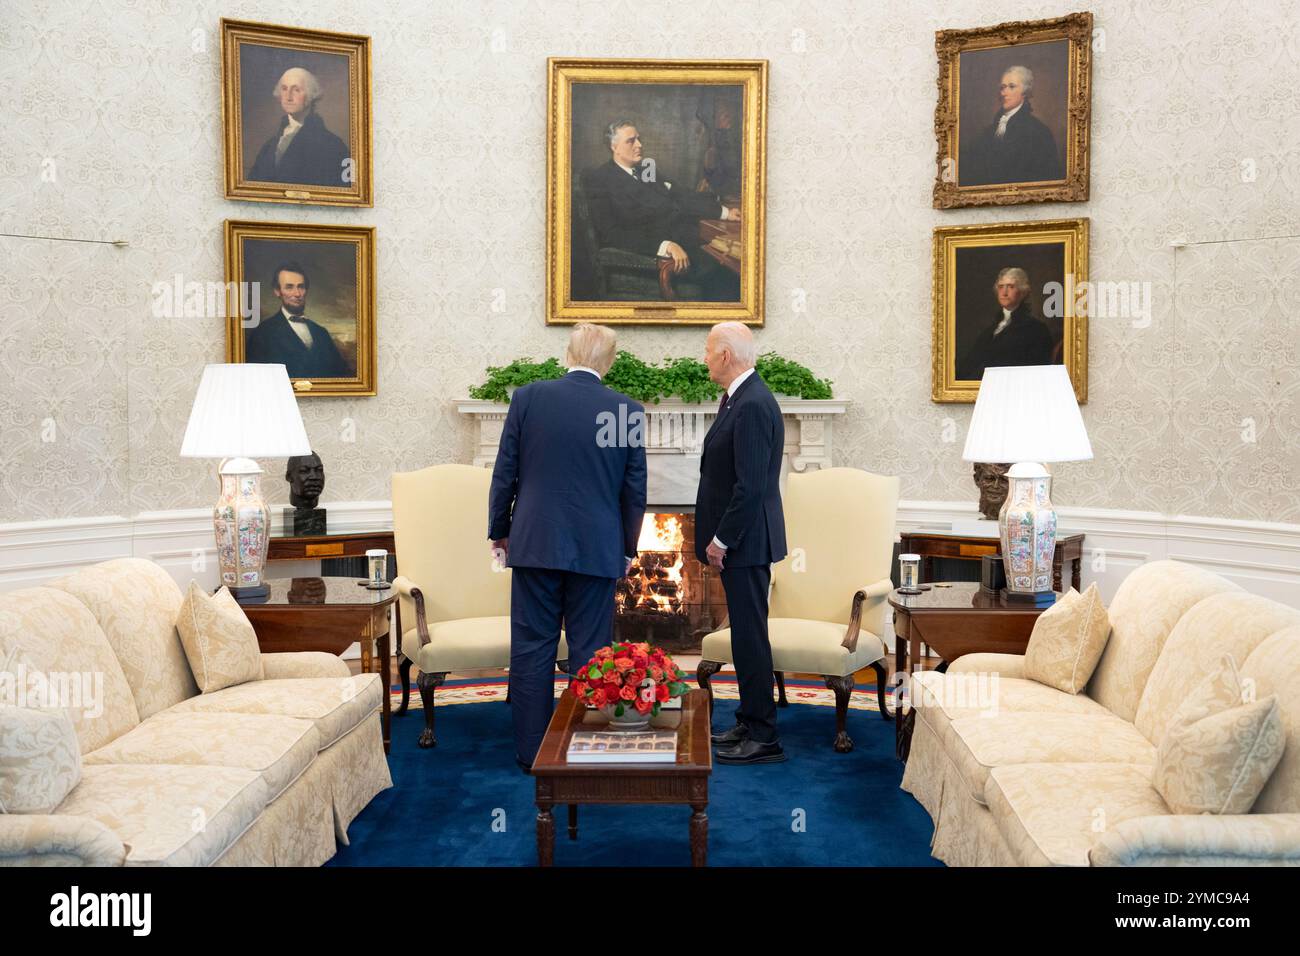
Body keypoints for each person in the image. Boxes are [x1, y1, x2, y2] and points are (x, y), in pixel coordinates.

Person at [488, 323, 648, 772]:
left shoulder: (529, 399)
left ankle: (532, 752)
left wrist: (500, 531)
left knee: (532, 647)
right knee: (592, 651)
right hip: (597, 548)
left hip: (535, 542)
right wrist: (627, 548)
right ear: (609, 361)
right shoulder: (625, 410)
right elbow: (634, 491)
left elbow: (506, 474)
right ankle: (583, 747)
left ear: (568, 353)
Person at [695, 321, 788, 765]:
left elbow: (750, 487)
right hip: (745, 542)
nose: (706, 358)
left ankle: (765, 736)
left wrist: (720, 540)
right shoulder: (741, 398)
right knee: (745, 636)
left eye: (709, 351)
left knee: (750, 638)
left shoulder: (751, 404)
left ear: (726, 356)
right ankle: (750, 720)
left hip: (746, 543)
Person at [582, 120, 741, 300]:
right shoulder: (600, 179)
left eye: (639, 139)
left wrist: (725, 212)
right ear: (614, 147)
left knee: (733, 264)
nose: (639, 145)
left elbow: (680, 194)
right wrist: (664, 245)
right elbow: (612, 233)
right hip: (656, 255)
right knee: (728, 275)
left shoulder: (646, 170)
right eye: (631, 141)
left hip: (688, 239)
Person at [244, 262, 351, 379]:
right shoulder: (263, 333)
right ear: (277, 291)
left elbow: (342, 374)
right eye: (289, 287)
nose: (297, 293)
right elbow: (255, 379)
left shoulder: (321, 332)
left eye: (301, 286)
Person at [248, 67, 350, 187]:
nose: (288, 96)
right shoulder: (269, 146)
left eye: (296, 90)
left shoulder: (333, 145)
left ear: (311, 95)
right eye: (284, 89)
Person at [962, 65, 1063, 187]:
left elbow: (1047, 178)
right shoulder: (989, 131)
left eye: (1012, 86)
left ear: (1025, 92)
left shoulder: (1038, 131)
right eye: (1003, 87)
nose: (1004, 93)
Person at [956, 267, 1056, 381]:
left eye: (1011, 287)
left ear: (1022, 292)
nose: (1004, 292)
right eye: (1001, 287)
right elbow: (970, 363)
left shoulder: (1036, 329)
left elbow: (1036, 373)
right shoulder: (990, 330)